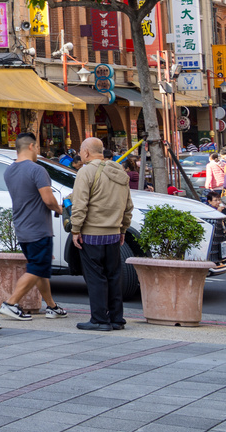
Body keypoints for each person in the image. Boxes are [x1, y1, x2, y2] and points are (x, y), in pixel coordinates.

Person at [0, 133, 69, 321]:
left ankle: (51, 306)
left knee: (39, 269)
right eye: (37, 147)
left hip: (22, 227)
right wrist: (60, 209)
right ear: (31, 147)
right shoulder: (37, 170)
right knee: (37, 268)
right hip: (38, 228)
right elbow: (48, 199)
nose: (39, 151)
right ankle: (10, 304)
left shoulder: (9, 171)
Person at [70, 137, 134, 331]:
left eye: (81, 151)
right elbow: (128, 206)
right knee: (114, 276)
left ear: (87, 152)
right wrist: (122, 229)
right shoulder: (120, 172)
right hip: (114, 233)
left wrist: (75, 229)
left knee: (96, 277)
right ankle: (116, 319)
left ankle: (99, 319)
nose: (80, 155)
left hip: (92, 233)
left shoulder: (86, 171)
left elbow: (80, 204)